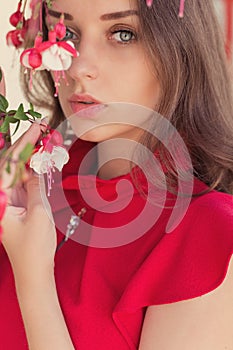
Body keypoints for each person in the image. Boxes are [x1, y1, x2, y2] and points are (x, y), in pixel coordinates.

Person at [1, 0, 233, 349]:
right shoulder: (28, 187)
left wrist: (34, 283)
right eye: (68, 33)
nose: (79, 67)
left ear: (181, 49)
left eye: (122, 33)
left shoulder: (209, 238)